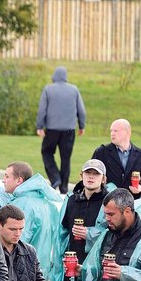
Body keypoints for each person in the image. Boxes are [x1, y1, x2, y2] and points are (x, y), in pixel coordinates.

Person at [36, 66, 86, 194]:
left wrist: (40, 126)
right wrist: (81, 125)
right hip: (69, 130)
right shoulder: (74, 90)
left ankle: (55, 177)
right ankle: (64, 187)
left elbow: (42, 110)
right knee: (66, 159)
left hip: (52, 129)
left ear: (54, 76)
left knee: (47, 152)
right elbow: (81, 110)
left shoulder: (48, 89)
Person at [90, 119, 141, 197]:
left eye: (116, 131)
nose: (112, 134)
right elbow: (90, 175)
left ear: (127, 132)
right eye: (111, 131)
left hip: (131, 204)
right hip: (106, 202)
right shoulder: (101, 152)